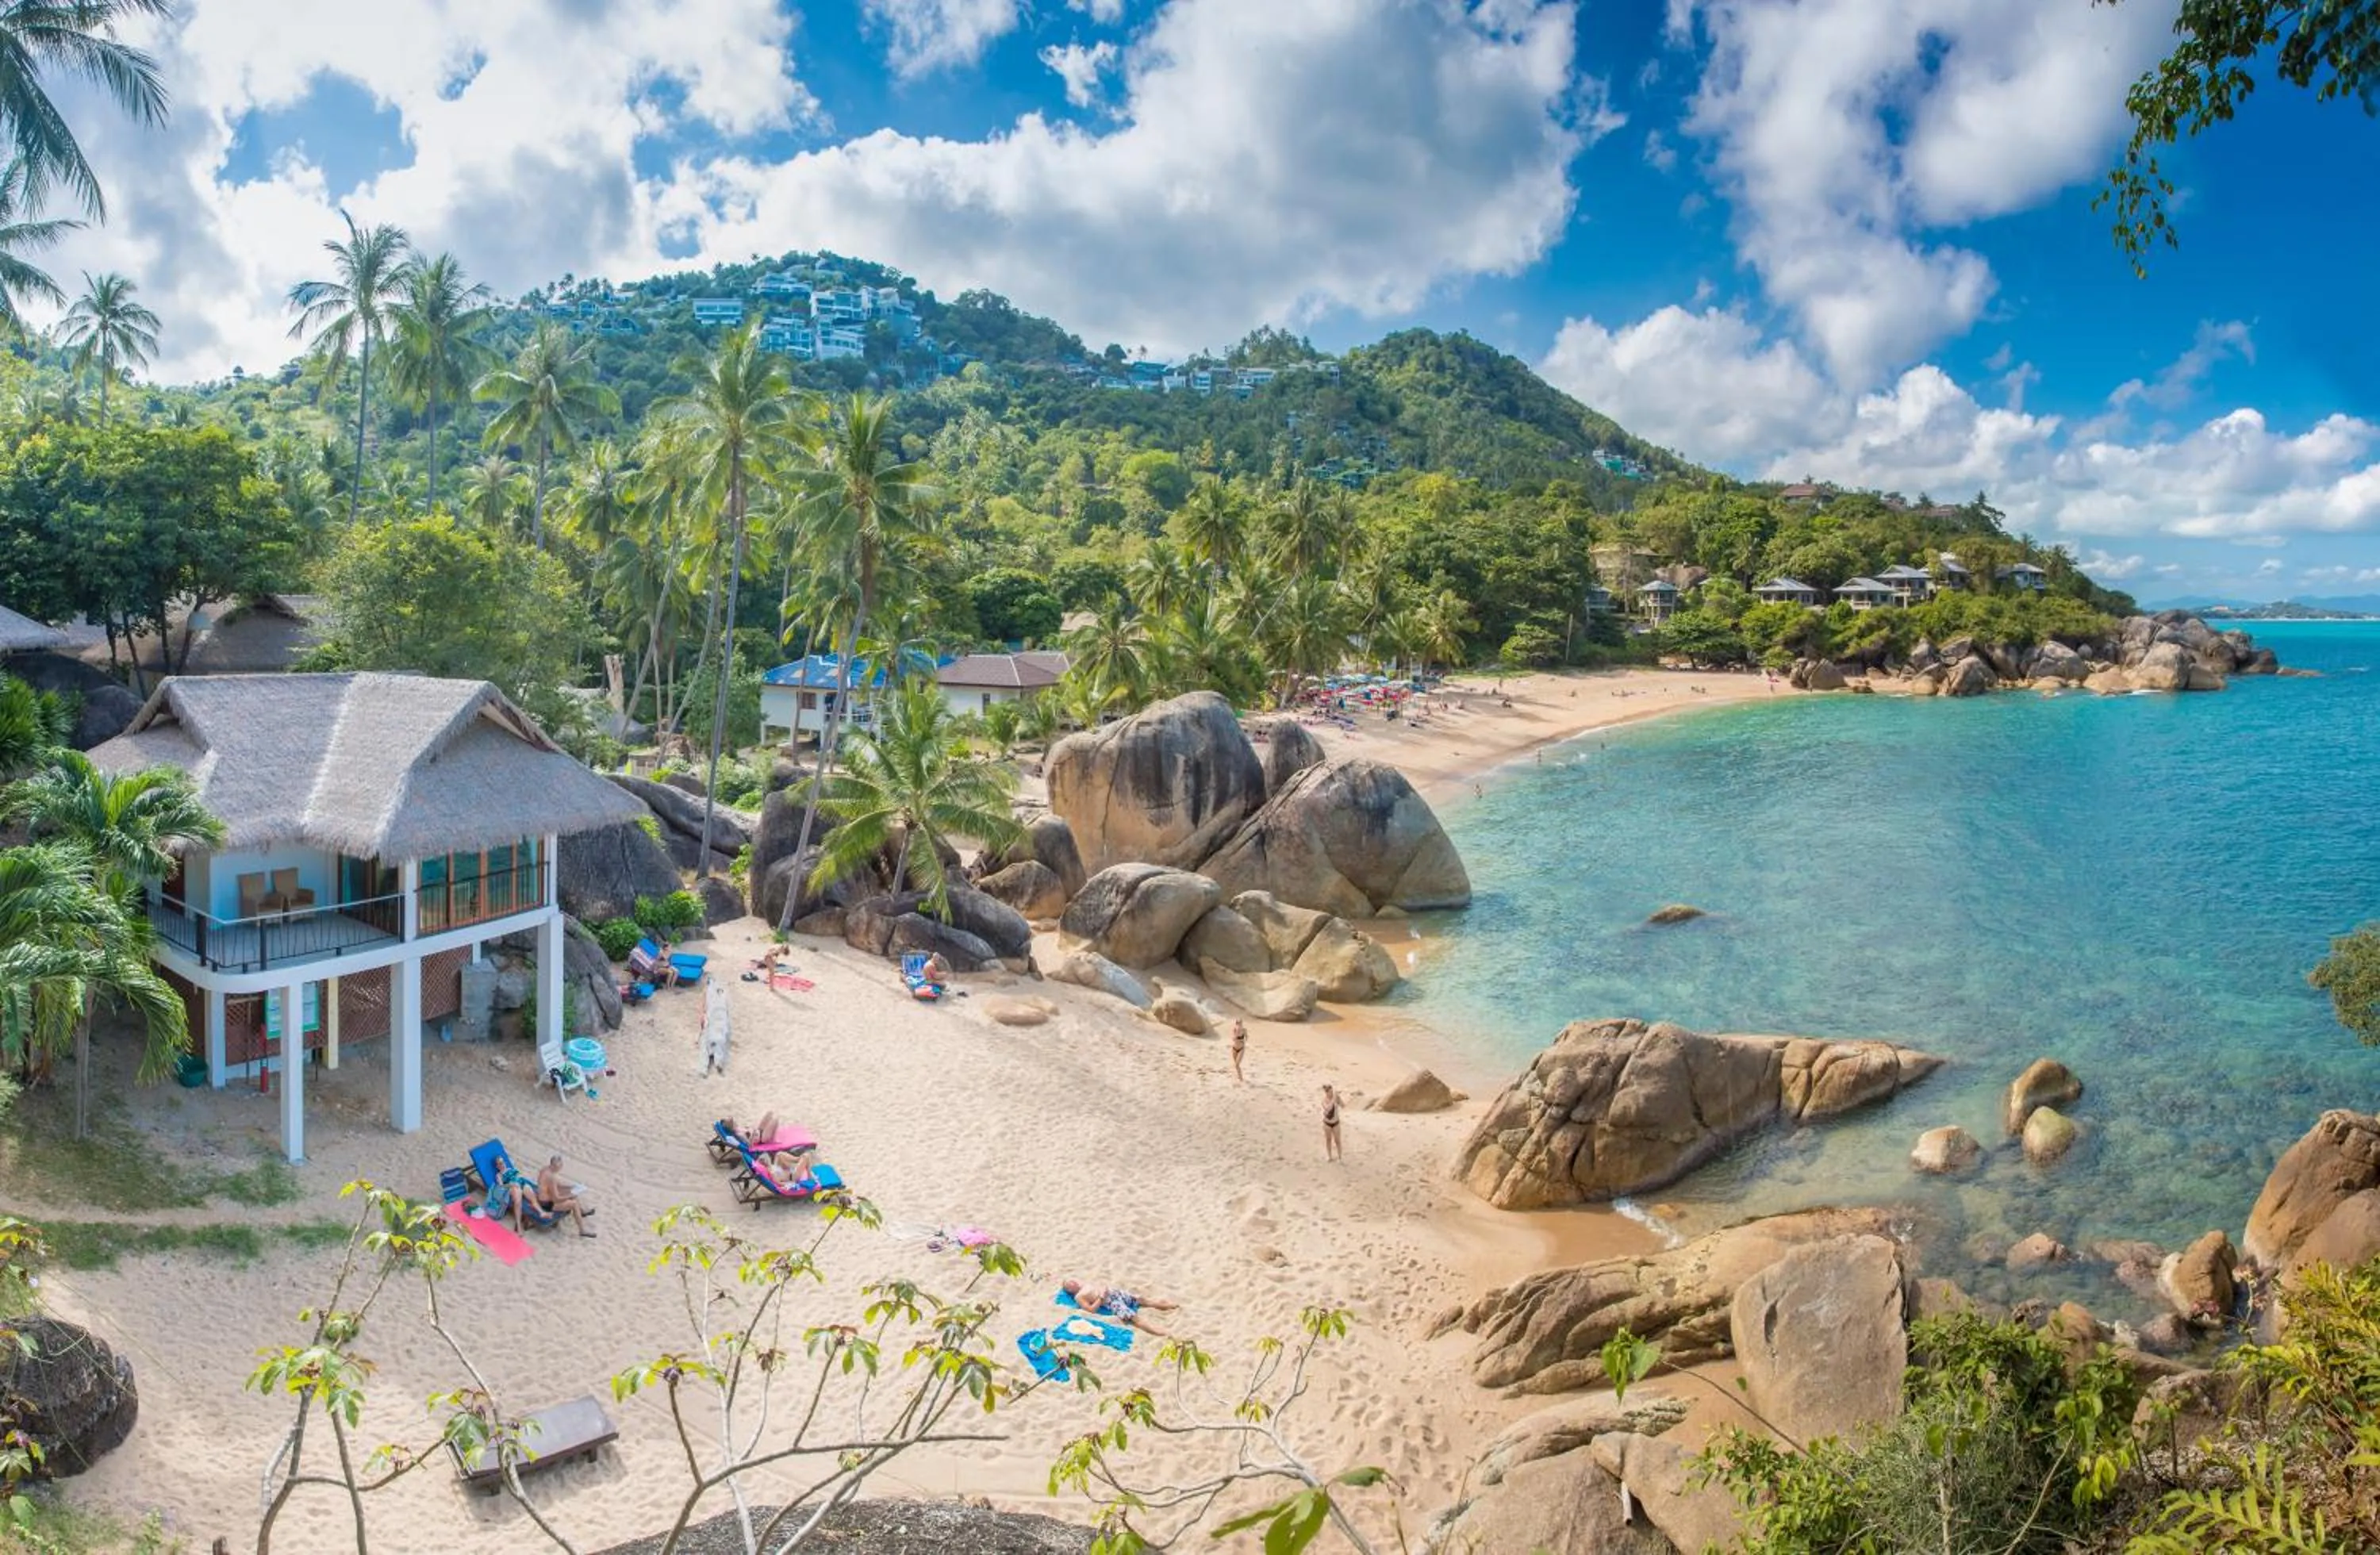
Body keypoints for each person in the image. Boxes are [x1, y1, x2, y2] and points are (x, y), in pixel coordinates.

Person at [1061, 1279, 1179, 1336]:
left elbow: (1101, 1284)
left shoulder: (1084, 1283)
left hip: (1115, 1293)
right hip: (1110, 1301)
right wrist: (1101, 1298)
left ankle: (1166, 1306)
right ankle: (1158, 1332)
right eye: (1069, 1285)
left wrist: (1104, 1288)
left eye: (1072, 1281)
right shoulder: (1079, 1296)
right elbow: (1091, 1310)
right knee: (1134, 1318)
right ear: (1069, 1290)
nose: (1073, 1283)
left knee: (1142, 1300)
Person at [536, 1154, 595, 1238]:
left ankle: (581, 1212)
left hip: (544, 1197)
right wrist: (570, 1195)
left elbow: (557, 1185)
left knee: (572, 1193)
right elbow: (556, 1199)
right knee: (574, 1203)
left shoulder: (545, 1169)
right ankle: (582, 1230)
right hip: (547, 1204)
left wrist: (572, 1187)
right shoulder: (552, 1177)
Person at [1321, 1085, 1343, 1161]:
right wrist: (1334, 1099)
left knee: (1337, 1140)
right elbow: (1328, 1109)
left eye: (1331, 1092)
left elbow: (1343, 1106)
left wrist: (1339, 1099)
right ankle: (1329, 1156)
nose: (1330, 1093)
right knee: (1328, 1140)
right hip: (1327, 1123)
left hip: (1336, 1123)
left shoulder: (1335, 1099)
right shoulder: (1324, 1100)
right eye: (1328, 1092)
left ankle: (1340, 1156)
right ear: (1325, 1092)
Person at [1229, 1019, 1247, 1083]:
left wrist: (1241, 1040)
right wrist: (1236, 1035)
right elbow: (1233, 1038)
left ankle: (1241, 1079)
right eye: (1238, 1023)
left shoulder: (1244, 1030)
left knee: (1237, 1065)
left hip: (1241, 1048)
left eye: (1240, 1023)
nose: (1239, 1025)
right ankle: (1238, 1077)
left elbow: (1246, 1039)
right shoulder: (1234, 1030)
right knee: (1236, 1065)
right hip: (1234, 1048)